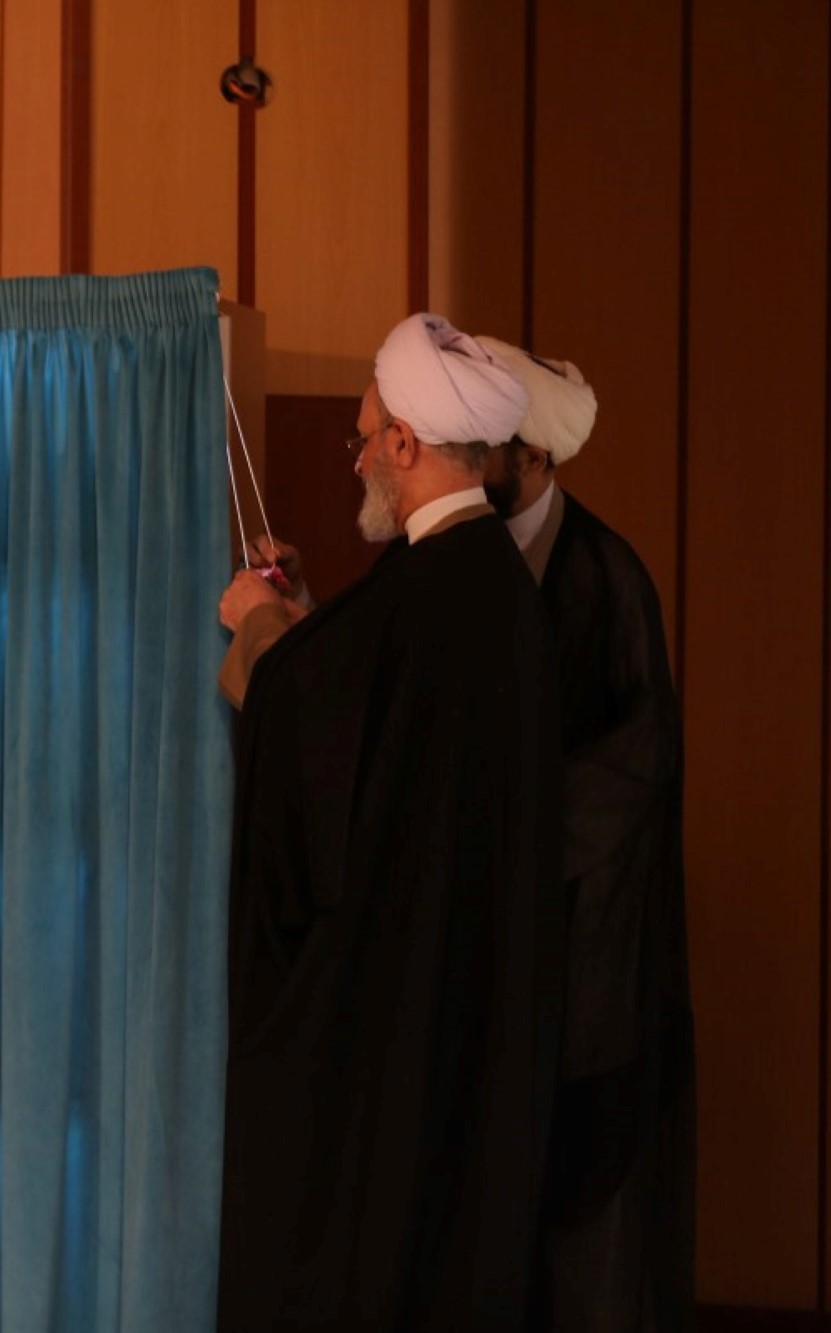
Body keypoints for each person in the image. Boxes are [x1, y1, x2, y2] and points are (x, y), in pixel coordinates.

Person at [213, 313, 566, 1328]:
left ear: (407, 444)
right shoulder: (485, 580)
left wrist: (257, 622)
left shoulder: (432, 587)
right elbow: (362, 695)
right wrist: (299, 612)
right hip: (466, 998)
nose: (358, 456)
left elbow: (308, 719)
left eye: (366, 436)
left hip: (390, 1007)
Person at [475, 336, 695, 1331]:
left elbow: (637, 766)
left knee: (584, 1235)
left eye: (486, 443)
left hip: (588, 960)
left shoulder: (610, 577)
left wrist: (506, 826)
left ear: (534, 455)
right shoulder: (443, 560)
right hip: (480, 947)